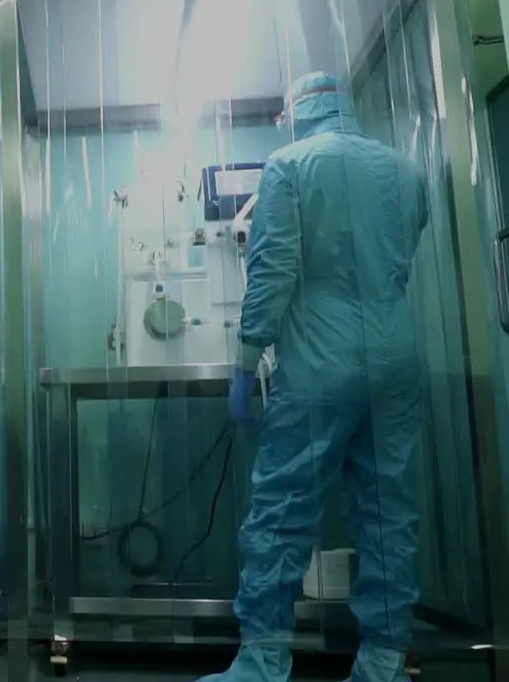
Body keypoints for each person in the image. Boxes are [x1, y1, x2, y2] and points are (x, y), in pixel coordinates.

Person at [214, 71, 429, 682]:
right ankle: (384, 662)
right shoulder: (406, 170)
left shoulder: (289, 166)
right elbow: (399, 258)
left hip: (320, 364)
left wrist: (245, 360)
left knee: (282, 511)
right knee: (390, 512)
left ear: (299, 111)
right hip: (396, 358)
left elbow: (274, 270)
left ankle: (262, 660)